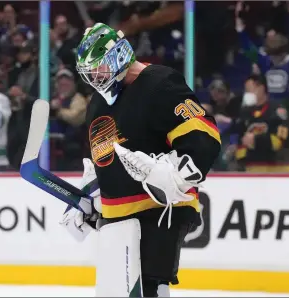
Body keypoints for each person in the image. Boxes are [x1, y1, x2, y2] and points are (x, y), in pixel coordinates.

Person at [60, 23, 221, 297]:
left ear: (118, 56)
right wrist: (88, 196)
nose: (94, 77)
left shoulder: (160, 83)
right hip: (116, 220)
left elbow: (203, 135)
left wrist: (176, 178)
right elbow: (104, 159)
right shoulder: (98, 103)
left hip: (158, 209)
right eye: (90, 72)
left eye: (99, 67)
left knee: (148, 288)